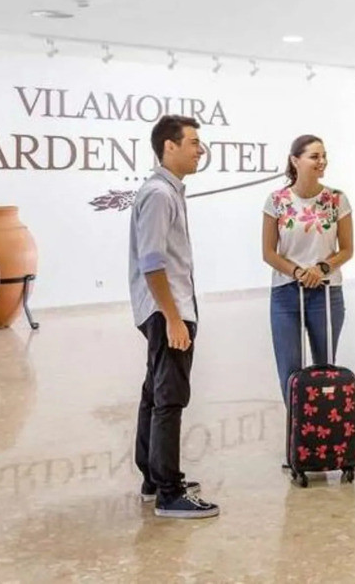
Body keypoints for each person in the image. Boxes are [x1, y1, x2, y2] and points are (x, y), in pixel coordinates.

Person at [130, 114, 219, 518]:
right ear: (170, 146)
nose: (201, 150)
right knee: (170, 397)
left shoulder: (166, 191)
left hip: (166, 307)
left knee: (155, 391)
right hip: (168, 309)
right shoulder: (160, 194)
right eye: (194, 142)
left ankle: (153, 478)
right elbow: (152, 263)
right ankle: (169, 492)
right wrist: (173, 317)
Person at [262, 135, 353, 406]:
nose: (321, 161)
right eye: (314, 156)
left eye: (324, 156)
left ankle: (325, 425)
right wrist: (299, 273)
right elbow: (268, 252)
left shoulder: (336, 199)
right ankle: (298, 426)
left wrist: (321, 269)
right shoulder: (276, 200)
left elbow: (347, 249)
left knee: (326, 368)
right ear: (295, 160)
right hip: (286, 293)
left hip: (326, 291)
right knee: (290, 370)